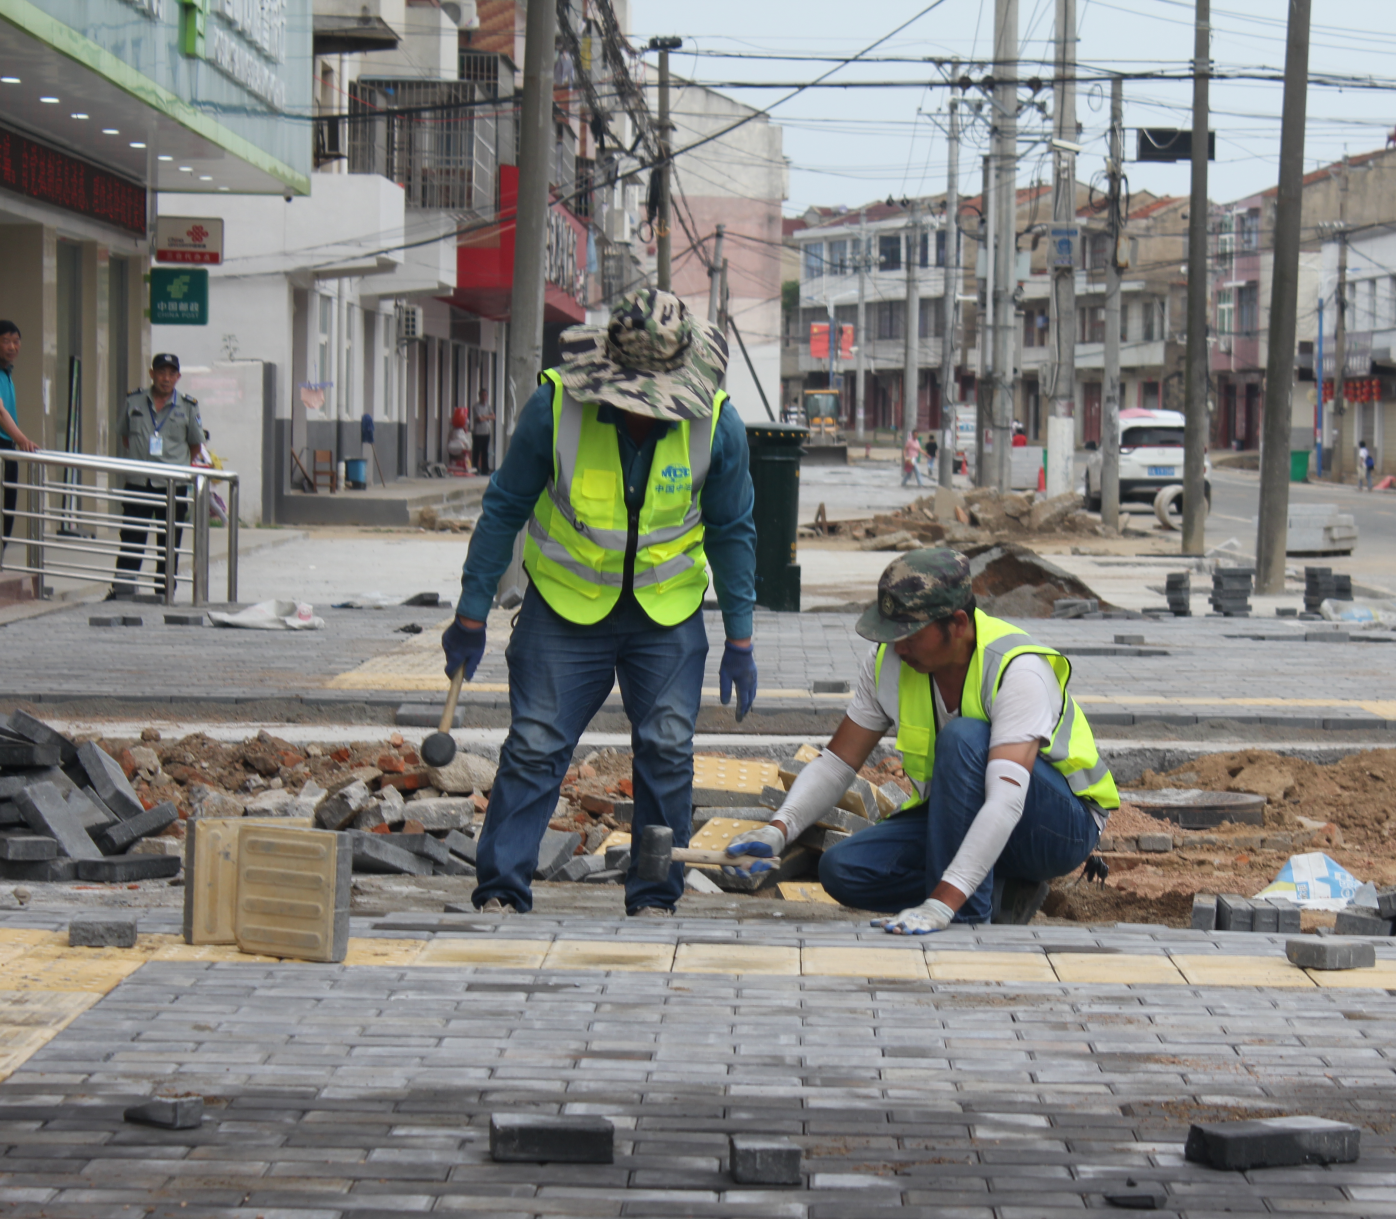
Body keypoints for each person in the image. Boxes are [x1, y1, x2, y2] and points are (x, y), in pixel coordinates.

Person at [444, 288, 758, 916]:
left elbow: (733, 529)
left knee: (668, 750)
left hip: (666, 615)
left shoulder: (716, 423)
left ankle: (654, 895)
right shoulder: (555, 407)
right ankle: (502, 890)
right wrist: (471, 610)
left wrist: (742, 637)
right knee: (534, 745)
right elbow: (503, 507)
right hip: (563, 609)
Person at [727, 548, 1118, 933]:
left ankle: (967, 915)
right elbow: (837, 763)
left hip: (1056, 827)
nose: (898, 647)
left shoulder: (1017, 669)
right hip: (961, 816)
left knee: (963, 738)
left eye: (910, 634)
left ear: (958, 623)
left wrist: (941, 905)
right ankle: (998, 888)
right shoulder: (888, 662)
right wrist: (778, 829)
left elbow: (1005, 802)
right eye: (891, 633)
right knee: (843, 869)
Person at [113, 353, 204, 601]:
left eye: (171, 374)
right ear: (152, 373)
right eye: (161, 372)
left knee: (169, 540)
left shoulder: (188, 405)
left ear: (178, 377)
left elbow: (195, 445)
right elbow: (125, 437)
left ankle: (165, 592)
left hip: (172, 485)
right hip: (139, 482)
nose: (166, 378)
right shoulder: (134, 400)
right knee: (131, 536)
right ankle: (122, 589)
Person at [0, 319, 37, 571]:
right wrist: (22, 440)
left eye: (16, 341)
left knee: (6, 509)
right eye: (6, 341)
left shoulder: (6, 371)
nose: (12, 347)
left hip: (6, 447)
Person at [471, 388, 496, 475]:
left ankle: (485, 470)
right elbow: (479, 419)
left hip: (486, 432)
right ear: (479, 396)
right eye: (483, 395)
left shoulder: (488, 407)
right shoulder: (476, 406)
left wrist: (485, 416)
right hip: (478, 433)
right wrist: (488, 416)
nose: (484, 396)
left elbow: (493, 417)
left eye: (486, 395)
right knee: (476, 452)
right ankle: (475, 469)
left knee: (485, 452)